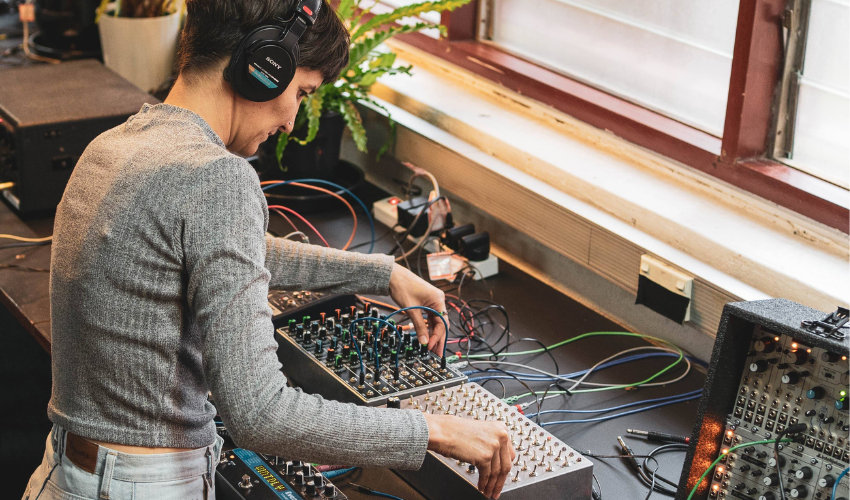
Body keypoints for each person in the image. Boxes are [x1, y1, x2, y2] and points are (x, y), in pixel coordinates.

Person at [22, 1, 514, 499]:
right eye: (301, 92)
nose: (293, 121)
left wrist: (381, 273)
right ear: (263, 67)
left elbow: (221, 248)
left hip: (61, 476)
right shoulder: (219, 177)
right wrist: (435, 431)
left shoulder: (115, 145)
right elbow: (260, 415)